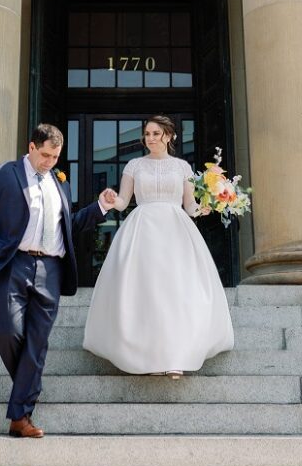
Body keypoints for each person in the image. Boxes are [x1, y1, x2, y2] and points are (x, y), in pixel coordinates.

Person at [0, 123, 112, 438]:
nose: (49, 161)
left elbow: (68, 226)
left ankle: (20, 418)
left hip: (51, 270)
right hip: (11, 263)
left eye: (55, 157)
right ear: (32, 147)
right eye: (45, 154)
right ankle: (30, 385)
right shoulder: (3, 174)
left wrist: (100, 207)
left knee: (37, 342)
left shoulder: (60, 183)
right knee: (6, 332)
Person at [83, 115, 234, 378]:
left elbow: (190, 206)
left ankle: (176, 357)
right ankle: (150, 358)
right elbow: (123, 202)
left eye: (156, 133)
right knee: (148, 293)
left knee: (175, 293)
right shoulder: (134, 165)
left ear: (169, 136)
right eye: (147, 134)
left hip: (176, 231)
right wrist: (109, 199)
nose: (150, 138)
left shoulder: (182, 167)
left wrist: (207, 206)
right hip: (143, 229)